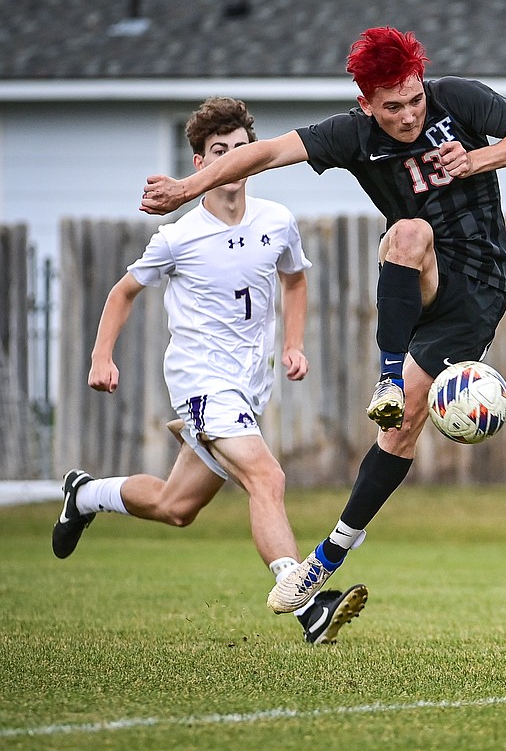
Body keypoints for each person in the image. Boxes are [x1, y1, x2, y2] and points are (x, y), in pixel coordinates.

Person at [139, 28, 506, 614]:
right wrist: (188, 187)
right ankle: (388, 376)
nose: (409, 115)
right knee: (407, 232)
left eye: (414, 99)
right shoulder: (353, 137)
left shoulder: (458, 99)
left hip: (480, 284)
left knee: (403, 426)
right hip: (423, 268)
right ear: (366, 103)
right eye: (393, 107)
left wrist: (477, 157)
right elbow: (263, 153)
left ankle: (329, 555)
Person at [54, 97, 368, 645]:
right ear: (200, 164)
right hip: (202, 382)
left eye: (242, 150)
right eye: (219, 151)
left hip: (250, 385)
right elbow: (123, 291)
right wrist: (101, 356)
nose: (233, 160)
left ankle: (83, 495)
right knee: (266, 478)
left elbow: (295, 279)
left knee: (177, 507)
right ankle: (308, 607)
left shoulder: (278, 221)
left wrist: (293, 344)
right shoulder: (179, 236)